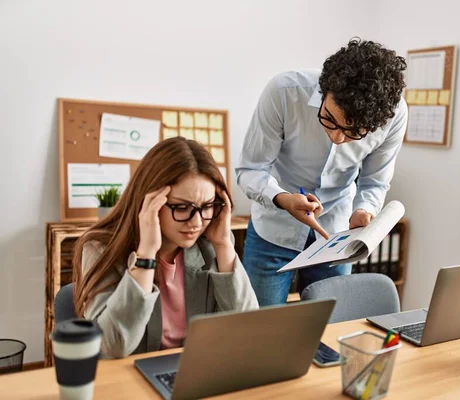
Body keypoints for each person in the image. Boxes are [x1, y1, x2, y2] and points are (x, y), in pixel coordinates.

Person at [236, 38, 408, 306]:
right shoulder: (284, 92)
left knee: (328, 330)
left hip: (336, 235)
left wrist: (365, 211)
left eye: (354, 133)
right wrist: (283, 198)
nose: (338, 138)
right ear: (324, 89)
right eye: (329, 119)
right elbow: (250, 169)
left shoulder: (394, 116)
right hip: (273, 226)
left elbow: (374, 182)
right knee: (260, 329)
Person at [73, 137, 258, 359]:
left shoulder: (212, 243)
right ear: (149, 201)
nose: (197, 222)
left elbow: (245, 330)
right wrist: (146, 255)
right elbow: (112, 346)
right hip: (131, 380)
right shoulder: (100, 248)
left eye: (207, 206)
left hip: (198, 371)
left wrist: (224, 245)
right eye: (181, 207)